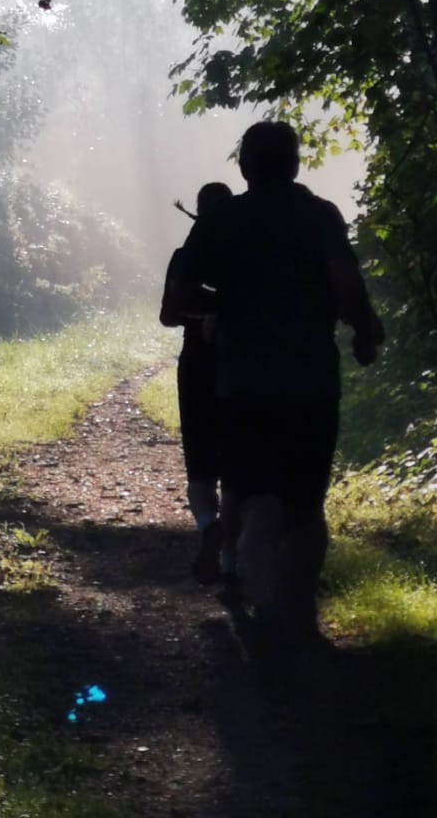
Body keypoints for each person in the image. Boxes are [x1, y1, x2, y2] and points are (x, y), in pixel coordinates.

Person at [177, 121, 384, 656]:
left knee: (258, 500)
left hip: (241, 388)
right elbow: (345, 285)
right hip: (311, 386)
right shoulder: (320, 217)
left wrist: (228, 303)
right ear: (295, 164)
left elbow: (179, 291)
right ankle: (300, 613)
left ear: (244, 167)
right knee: (306, 503)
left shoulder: (224, 221)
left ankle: (268, 612)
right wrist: (364, 330)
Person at [159, 181, 239, 586]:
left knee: (200, 458)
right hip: (241, 365)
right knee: (238, 462)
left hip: (195, 364)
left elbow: (167, 317)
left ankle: (209, 525)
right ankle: (231, 564)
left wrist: (199, 319)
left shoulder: (184, 257)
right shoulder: (248, 255)